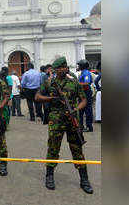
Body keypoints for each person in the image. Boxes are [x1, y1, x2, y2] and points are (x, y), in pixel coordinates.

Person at [35, 56, 93, 194]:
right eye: (57, 68)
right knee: (53, 147)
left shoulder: (74, 81)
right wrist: (52, 98)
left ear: (66, 67)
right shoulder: (49, 82)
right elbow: (37, 97)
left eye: (62, 68)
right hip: (56, 120)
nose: (59, 70)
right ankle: (49, 176)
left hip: (73, 119)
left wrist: (76, 109)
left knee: (77, 149)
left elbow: (84, 100)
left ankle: (84, 179)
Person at [77, 59, 94, 132]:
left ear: (82, 66)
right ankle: (81, 126)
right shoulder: (83, 72)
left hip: (86, 92)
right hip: (83, 92)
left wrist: (77, 84)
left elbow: (86, 83)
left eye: (79, 65)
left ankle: (89, 126)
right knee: (81, 110)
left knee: (87, 110)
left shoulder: (86, 73)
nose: (78, 66)